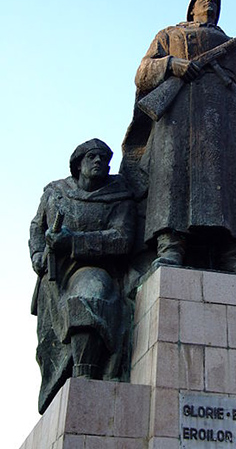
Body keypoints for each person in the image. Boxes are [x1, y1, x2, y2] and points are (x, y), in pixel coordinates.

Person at [121, 0, 236, 275]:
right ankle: (170, 247)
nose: (209, 2)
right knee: (173, 175)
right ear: (191, 9)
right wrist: (173, 65)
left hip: (227, 118)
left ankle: (234, 255)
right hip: (179, 114)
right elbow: (142, 72)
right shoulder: (169, 35)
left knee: (232, 185)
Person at [29, 139, 135, 413]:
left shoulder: (119, 196)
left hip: (94, 267)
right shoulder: (55, 192)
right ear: (78, 164)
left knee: (88, 298)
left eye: (104, 157)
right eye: (92, 156)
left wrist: (74, 241)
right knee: (48, 346)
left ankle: (85, 374)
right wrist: (38, 254)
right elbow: (37, 227)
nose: (99, 161)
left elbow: (122, 239)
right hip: (54, 276)